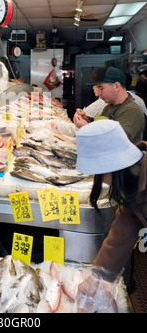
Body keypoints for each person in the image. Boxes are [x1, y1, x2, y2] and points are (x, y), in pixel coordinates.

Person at [75, 119, 147, 313]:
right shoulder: (133, 179)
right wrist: (98, 275)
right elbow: (125, 226)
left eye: (98, 174)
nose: (102, 181)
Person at [73, 67, 145, 144]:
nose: (99, 93)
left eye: (101, 88)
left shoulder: (131, 110)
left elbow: (117, 142)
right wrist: (87, 120)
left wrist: (86, 127)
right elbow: (103, 128)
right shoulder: (109, 106)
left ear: (117, 86)